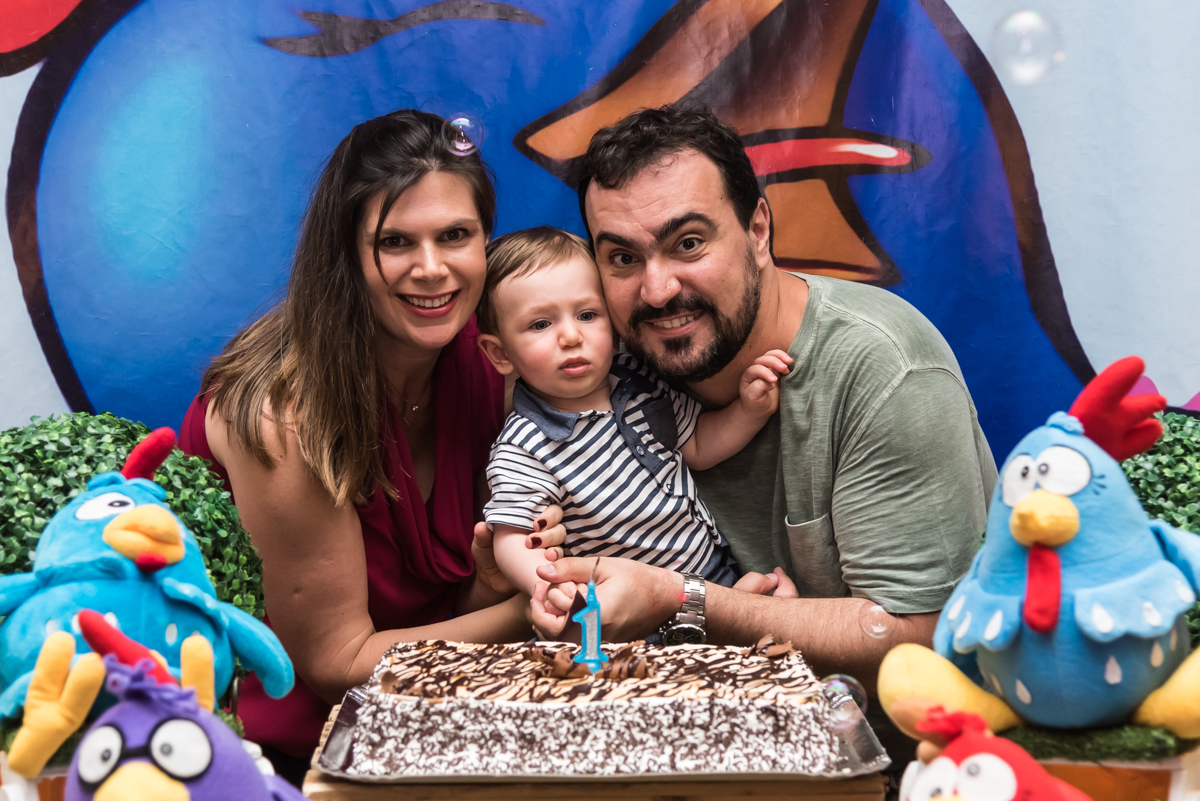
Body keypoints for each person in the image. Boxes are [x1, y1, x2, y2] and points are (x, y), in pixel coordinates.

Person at [531, 103, 996, 696]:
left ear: (757, 232)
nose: (657, 290)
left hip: (884, 763)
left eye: (689, 243)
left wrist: (685, 603)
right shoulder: (598, 369)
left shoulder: (883, 369)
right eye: (623, 257)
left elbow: (919, 633)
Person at [177, 110, 562, 784]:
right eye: (395, 242)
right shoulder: (281, 413)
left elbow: (445, 621)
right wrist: (538, 609)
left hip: (426, 724)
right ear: (347, 256)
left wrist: (490, 579)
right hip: (275, 762)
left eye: (455, 236)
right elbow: (337, 665)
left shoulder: (492, 363)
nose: (432, 268)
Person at [472, 227, 793, 620]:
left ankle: (729, 613)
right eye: (540, 324)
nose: (571, 336)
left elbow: (697, 446)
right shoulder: (526, 444)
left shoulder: (640, 382)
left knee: (770, 602)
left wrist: (748, 411)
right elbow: (513, 536)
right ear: (500, 353)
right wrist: (550, 585)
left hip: (711, 575)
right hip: (629, 610)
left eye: (588, 315)